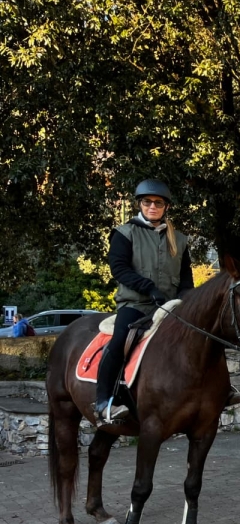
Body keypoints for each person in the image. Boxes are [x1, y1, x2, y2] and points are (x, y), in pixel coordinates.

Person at [92, 179, 196, 425]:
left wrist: (184, 299)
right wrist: (148, 288)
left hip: (170, 307)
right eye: (147, 202)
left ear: (166, 207)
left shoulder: (179, 240)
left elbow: (186, 277)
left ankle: (218, 391)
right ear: (139, 203)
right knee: (119, 341)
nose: (152, 206)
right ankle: (104, 401)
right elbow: (119, 269)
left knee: (201, 334)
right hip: (135, 305)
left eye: (158, 203)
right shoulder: (125, 233)